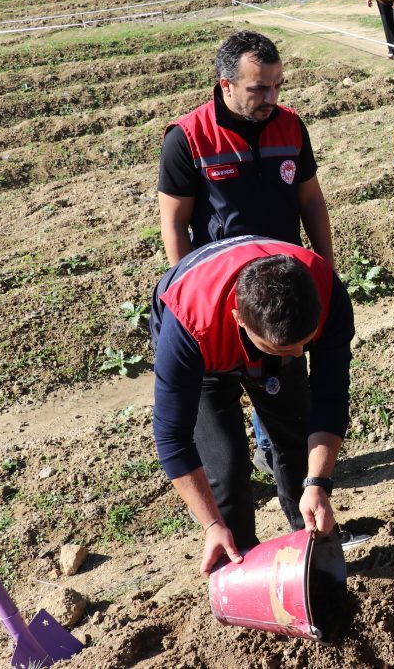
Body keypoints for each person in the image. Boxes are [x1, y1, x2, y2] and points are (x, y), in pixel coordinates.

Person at [158, 31, 335, 478]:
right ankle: (235, 465)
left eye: (277, 85)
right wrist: (188, 292)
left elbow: (310, 200)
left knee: (283, 383)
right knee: (222, 387)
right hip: (226, 295)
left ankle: (278, 455)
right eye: (259, 88)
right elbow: (175, 223)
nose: (271, 97)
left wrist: (325, 269)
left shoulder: (291, 126)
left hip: (282, 287)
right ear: (226, 86)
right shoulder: (188, 139)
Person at [150, 236, 354, 573]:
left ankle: (307, 550)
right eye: (285, 348)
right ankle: (241, 567)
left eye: (306, 342)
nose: (299, 355)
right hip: (209, 350)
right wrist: (212, 525)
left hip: (261, 330)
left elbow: (330, 397)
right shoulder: (189, 325)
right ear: (240, 320)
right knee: (226, 470)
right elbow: (172, 437)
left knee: (295, 439)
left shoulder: (326, 290)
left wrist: (318, 483)